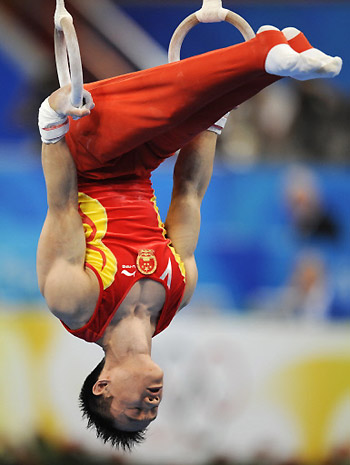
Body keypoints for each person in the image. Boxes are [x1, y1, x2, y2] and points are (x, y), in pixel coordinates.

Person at [36, 25, 342, 450]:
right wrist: (212, 123)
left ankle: (264, 54)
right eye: (151, 413)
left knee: (168, 105)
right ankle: (275, 47)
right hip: (141, 162)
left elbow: (63, 205)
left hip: (88, 154)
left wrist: (50, 126)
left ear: (102, 386)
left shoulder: (77, 303)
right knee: (195, 111)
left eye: (135, 410)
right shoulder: (178, 294)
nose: (150, 405)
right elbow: (189, 194)